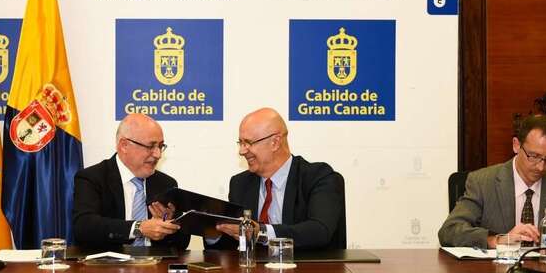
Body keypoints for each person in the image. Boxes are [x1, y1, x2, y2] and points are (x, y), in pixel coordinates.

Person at [438, 115, 546, 254]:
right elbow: (449, 231)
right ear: (516, 145)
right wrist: (498, 240)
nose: (541, 167)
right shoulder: (482, 182)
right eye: (534, 156)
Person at [209, 107, 345, 249]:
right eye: (240, 143)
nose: (242, 151)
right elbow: (233, 245)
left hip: (307, 269)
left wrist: (261, 233)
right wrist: (212, 231)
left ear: (275, 142)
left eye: (248, 143)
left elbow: (320, 231)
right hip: (256, 270)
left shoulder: (319, 177)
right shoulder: (240, 184)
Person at [73, 113, 190, 250]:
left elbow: (181, 244)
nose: (158, 154)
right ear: (124, 145)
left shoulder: (166, 184)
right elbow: (84, 227)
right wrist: (139, 228)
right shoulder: (92, 177)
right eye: (151, 146)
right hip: (108, 267)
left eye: (160, 146)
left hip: (154, 267)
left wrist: (169, 225)